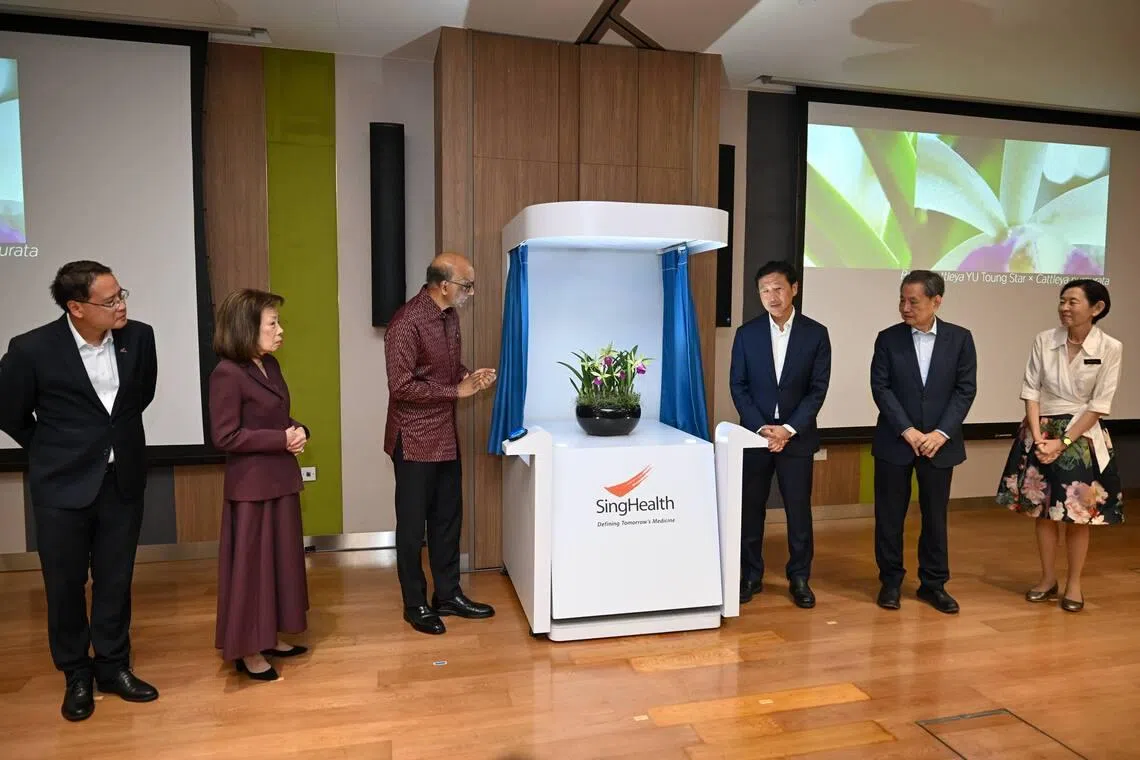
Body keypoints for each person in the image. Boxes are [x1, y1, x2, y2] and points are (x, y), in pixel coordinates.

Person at [0, 261, 158, 721]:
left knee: (115, 578)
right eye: (109, 301)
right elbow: (9, 412)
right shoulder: (32, 349)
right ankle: (76, 673)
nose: (121, 305)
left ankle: (112, 665)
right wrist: (50, 449)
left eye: (121, 294)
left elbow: (139, 397)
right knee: (65, 584)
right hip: (61, 484)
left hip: (121, 479)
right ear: (76, 307)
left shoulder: (139, 337)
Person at [384, 252, 497, 634]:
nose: (470, 292)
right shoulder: (405, 323)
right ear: (444, 285)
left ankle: (447, 595)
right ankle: (414, 603)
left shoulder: (449, 316)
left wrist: (469, 376)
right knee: (414, 529)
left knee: (448, 521)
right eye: (467, 286)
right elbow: (401, 387)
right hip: (414, 440)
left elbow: (445, 371)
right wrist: (456, 390)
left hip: (445, 435)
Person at [996, 280, 1123, 613]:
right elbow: (1031, 391)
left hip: (1081, 435)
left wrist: (1063, 441)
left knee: (1077, 516)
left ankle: (1075, 584)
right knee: (1044, 510)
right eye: (1062, 301)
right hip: (1040, 431)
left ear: (1096, 308)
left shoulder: (1110, 347)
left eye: (1073, 302)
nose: (1065, 307)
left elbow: (1099, 404)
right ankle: (1047, 578)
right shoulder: (1044, 339)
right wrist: (1039, 438)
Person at [209, 288, 311, 680]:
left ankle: (269, 636)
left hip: (280, 480)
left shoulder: (270, 366)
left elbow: (276, 417)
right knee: (252, 570)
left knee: (280, 564)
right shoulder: (227, 373)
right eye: (273, 323)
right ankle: (248, 649)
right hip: (250, 488)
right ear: (246, 327)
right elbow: (225, 436)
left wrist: (299, 430)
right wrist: (281, 439)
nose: (280, 330)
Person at [870, 270, 976, 614]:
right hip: (896, 441)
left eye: (913, 301)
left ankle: (933, 584)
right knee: (889, 516)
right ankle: (890, 582)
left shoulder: (960, 339)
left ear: (936, 301)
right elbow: (881, 388)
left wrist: (940, 434)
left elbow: (965, 389)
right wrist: (908, 431)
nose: (905, 307)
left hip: (939, 444)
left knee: (934, 517)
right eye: (901, 299)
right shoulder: (887, 338)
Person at [730, 260, 831, 608]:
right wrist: (762, 428)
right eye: (764, 290)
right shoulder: (747, 333)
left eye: (778, 288)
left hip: (797, 437)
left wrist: (787, 430)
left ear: (794, 289)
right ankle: (750, 574)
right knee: (750, 509)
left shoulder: (816, 333)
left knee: (798, 510)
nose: (771, 296)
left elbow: (818, 389)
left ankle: (799, 577)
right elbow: (738, 387)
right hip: (755, 437)